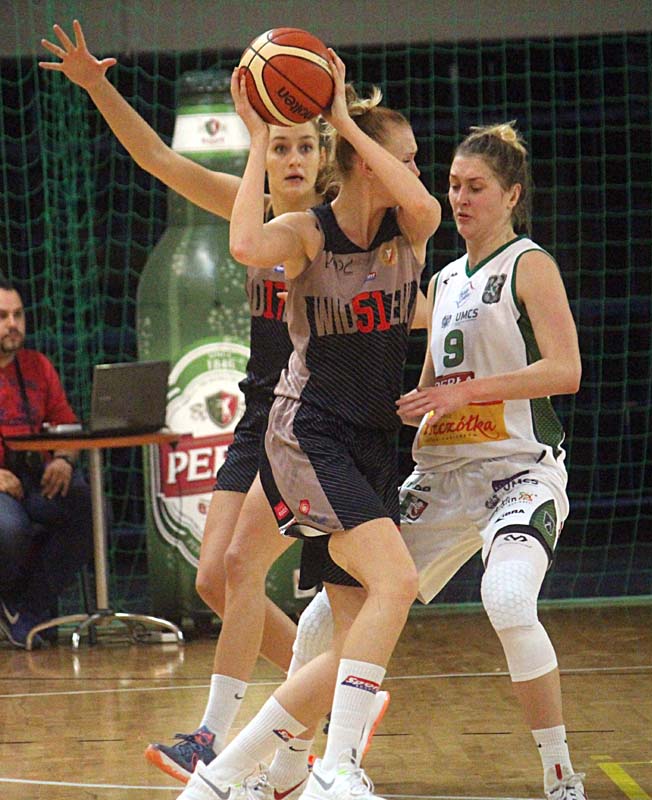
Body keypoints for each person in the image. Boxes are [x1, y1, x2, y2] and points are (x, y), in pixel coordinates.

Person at [39, 21, 389, 794]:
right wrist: (99, 87)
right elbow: (158, 160)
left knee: (243, 568)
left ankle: (216, 737)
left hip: (308, 419)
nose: (291, 157)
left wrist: (324, 109)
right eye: (279, 144)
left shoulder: (330, 229)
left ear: (322, 156)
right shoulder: (248, 208)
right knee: (212, 582)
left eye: (304, 146)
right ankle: (333, 690)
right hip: (256, 415)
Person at [174, 51, 441, 800]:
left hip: (371, 443)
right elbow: (243, 245)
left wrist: (346, 119)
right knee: (395, 581)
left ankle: (227, 781)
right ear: (364, 166)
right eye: (405, 159)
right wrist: (260, 140)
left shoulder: (410, 233)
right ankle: (336, 768)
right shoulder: (309, 234)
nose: (415, 173)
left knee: (355, 634)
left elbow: (424, 205)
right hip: (307, 436)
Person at [395, 122, 586, 800]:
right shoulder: (445, 279)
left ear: (511, 195)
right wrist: (413, 405)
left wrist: (472, 391)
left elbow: (566, 371)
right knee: (337, 607)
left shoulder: (529, 264)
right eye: (452, 186)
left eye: (475, 187)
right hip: (444, 476)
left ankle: (560, 773)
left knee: (505, 598)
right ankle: (286, 765)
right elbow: (435, 388)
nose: (459, 198)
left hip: (519, 472)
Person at [0, 280, 93, 649]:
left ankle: (30, 611)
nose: (13, 324)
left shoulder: (37, 366)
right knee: (10, 528)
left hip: (35, 478)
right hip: (2, 486)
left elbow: (67, 425)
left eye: (18, 315)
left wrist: (65, 459)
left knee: (86, 508)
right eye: (2, 317)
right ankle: (13, 601)